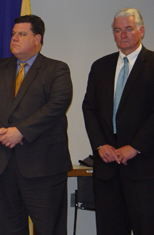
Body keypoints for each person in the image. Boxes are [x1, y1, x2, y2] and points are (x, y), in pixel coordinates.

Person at [0, 15, 72, 235]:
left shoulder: (56, 69)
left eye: (22, 34)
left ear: (37, 39)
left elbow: (56, 106)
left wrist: (21, 132)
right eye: (13, 34)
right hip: (3, 164)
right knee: (9, 228)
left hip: (43, 167)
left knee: (49, 229)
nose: (14, 39)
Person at [82, 7, 154, 235]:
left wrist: (135, 147)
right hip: (107, 167)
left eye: (129, 29)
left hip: (144, 169)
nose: (122, 35)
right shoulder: (100, 66)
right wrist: (100, 144)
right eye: (117, 30)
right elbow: (89, 108)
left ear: (141, 31)